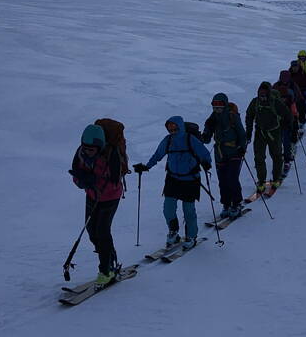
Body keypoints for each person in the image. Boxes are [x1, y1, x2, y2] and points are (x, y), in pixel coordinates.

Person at [133, 116, 212, 248]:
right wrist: (146, 166)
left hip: (190, 179)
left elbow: (205, 154)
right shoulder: (168, 140)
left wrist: (206, 163)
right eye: (169, 128)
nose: (172, 130)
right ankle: (173, 232)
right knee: (168, 209)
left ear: (180, 126)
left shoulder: (189, 139)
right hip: (172, 179)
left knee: (188, 211)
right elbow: (157, 155)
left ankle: (191, 236)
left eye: (174, 127)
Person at [69, 123, 126, 285]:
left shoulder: (110, 156)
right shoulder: (80, 154)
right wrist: (82, 182)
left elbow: (115, 182)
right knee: (92, 231)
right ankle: (110, 257)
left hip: (110, 198)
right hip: (92, 196)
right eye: (85, 147)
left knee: (102, 231)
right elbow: (76, 172)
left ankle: (106, 270)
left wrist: (95, 182)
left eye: (91, 149)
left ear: (100, 146)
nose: (88, 151)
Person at [200, 93, 247, 218]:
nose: (217, 108)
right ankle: (226, 204)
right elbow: (207, 138)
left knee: (232, 178)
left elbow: (242, 134)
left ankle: (236, 203)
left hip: (234, 151)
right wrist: (203, 136)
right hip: (220, 153)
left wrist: (242, 147)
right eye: (214, 106)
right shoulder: (212, 119)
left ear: (225, 105)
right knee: (222, 180)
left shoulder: (233, 117)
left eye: (219, 105)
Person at [244, 82, 291, 193]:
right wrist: (249, 132)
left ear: (269, 94)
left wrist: (286, 125)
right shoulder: (255, 102)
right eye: (261, 95)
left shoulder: (276, 102)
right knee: (259, 157)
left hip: (274, 132)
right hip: (260, 132)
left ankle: (276, 179)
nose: (262, 98)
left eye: (264, 96)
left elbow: (287, 115)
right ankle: (261, 181)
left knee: (277, 156)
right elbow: (249, 116)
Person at [274, 69, 306, 169]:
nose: (284, 80)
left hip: (289, 116)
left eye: (286, 78)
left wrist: (299, 108)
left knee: (288, 138)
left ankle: (287, 156)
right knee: (278, 141)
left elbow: (299, 97)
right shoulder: (275, 86)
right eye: (283, 78)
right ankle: (283, 157)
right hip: (277, 119)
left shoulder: (292, 86)